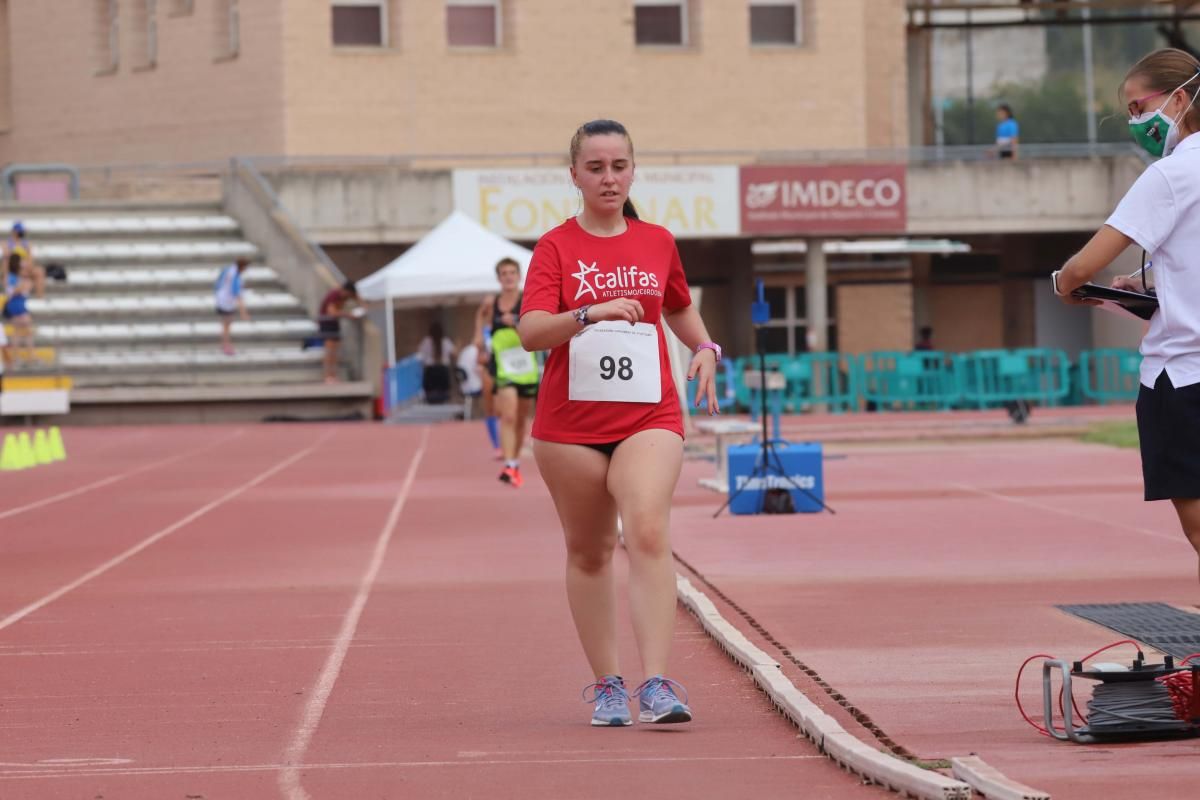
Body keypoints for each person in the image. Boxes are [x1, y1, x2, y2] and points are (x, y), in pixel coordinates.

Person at [517, 119, 720, 727]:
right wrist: (588, 312)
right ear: (574, 175)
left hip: (650, 415)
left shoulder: (657, 241)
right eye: (596, 167)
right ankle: (608, 686)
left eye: (619, 166)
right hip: (570, 427)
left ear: (634, 171)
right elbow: (530, 333)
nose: (609, 178)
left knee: (649, 532)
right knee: (590, 550)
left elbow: (677, 304)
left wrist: (707, 348)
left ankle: (657, 684)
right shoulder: (554, 247)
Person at [1052, 47, 1200, 584]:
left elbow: (1081, 267)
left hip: (1183, 375)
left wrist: (1069, 287)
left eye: (1140, 108)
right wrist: (1153, 285)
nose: (1136, 123)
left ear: (1180, 100)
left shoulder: (1171, 174)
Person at [473, 257, 539, 486]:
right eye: (504, 273)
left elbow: (538, 328)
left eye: (512, 273)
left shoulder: (527, 299)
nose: (509, 277)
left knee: (521, 418)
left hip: (526, 366)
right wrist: (479, 341)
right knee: (508, 415)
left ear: (519, 276)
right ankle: (510, 464)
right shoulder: (492, 303)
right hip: (502, 366)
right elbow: (481, 318)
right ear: (499, 278)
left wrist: (518, 323)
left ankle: (515, 463)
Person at [318, 280, 360, 384]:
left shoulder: (342, 297)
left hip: (333, 323)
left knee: (334, 350)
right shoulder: (335, 294)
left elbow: (358, 299)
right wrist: (348, 315)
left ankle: (332, 375)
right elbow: (331, 312)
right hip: (327, 323)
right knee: (330, 350)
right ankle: (328, 375)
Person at [214, 258, 251, 355]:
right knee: (227, 325)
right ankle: (226, 345)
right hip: (226, 303)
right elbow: (238, 296)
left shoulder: (228, 270)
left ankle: (225, 344)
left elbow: (218, 283)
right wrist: (244, 313)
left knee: (226, 325)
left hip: (221, 298)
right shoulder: (235, 277)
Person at [416, 320, 456, 404]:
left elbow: (420, 355)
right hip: (442, 370)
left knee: (430, 395)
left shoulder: (426, 341)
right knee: (443, 396)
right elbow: (454, 353)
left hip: (430, 371)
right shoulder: (445, 341)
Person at [5, 221, 46, 298]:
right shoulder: (8, 244)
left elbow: (30, 259)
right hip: (14, 269)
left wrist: (27, 269)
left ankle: (40, 296)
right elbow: (8, 260)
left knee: (40, 271)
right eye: (19, 231)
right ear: (14, 231)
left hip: (25, 268)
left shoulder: (26, 244)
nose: (21, 233)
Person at [3, 274, 35, 362]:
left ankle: (29, 356)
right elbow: (11, 292)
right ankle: (22, 357)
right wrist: (21, 286)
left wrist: (24, 286)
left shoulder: (25, 281)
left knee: (25, 332)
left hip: (20, 307)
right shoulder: (12, 279)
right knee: (19, 333)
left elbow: (24, 291)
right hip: (16, 308)